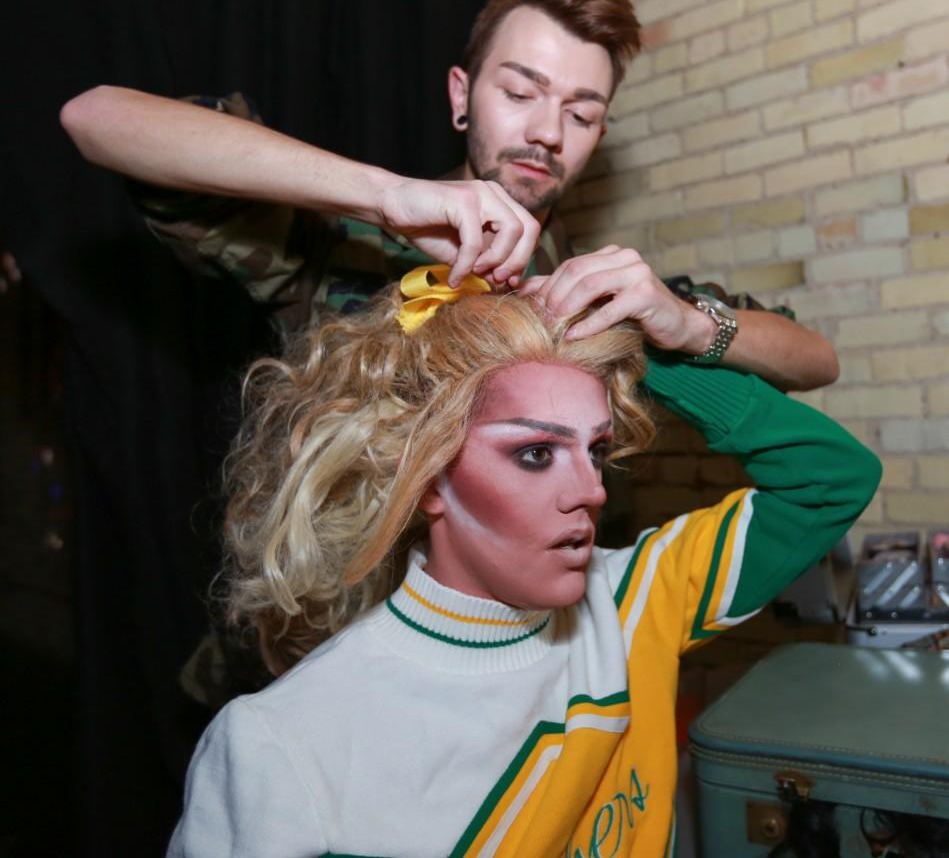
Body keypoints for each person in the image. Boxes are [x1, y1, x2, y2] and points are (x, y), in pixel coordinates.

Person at [166, 270, 879, 857]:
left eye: (594, 449)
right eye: (535, 454)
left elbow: (829, 478)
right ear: (425, 477)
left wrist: (659, 342)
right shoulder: (285, 743)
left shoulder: (632, 599)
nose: (592, 489)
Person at [60, 0, 838, 392]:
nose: (544, 131)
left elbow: (815, 359)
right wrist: (388, 196)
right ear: (462, 98)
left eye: (580, 111)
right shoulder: (351, 242)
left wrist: (692, 324)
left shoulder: (600, 292)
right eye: (521, 90)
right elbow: (97, 119)